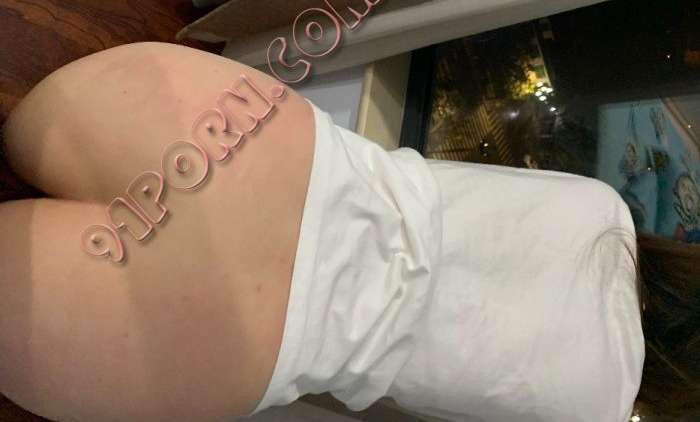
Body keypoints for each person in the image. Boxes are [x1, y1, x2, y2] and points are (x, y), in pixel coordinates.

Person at [0, 42, 692, 422]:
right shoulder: (598, 410)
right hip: (233, 336)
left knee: (21, 134)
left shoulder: (606, 211)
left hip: (251, 137)